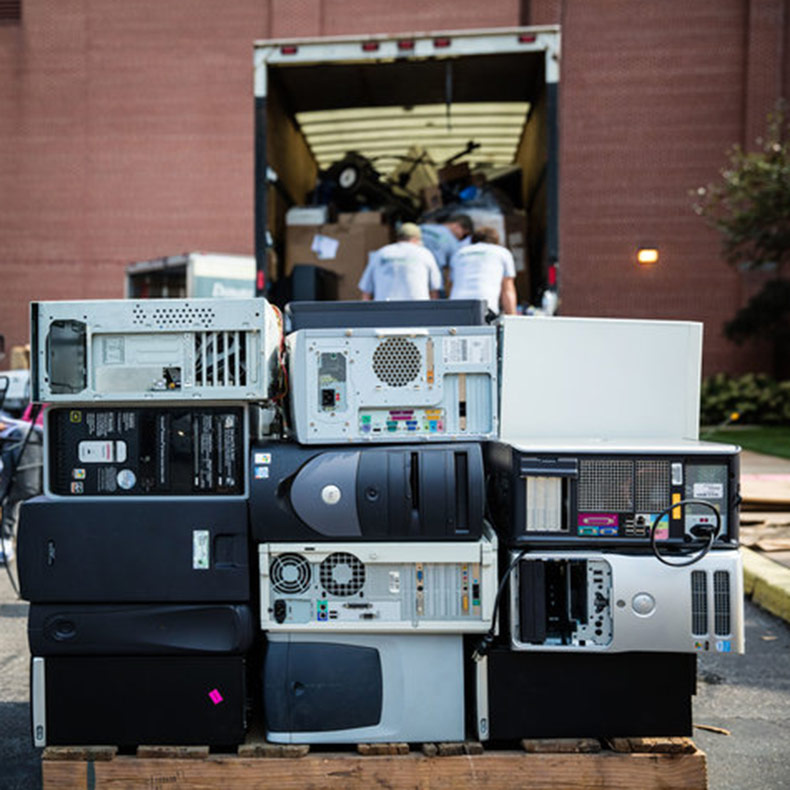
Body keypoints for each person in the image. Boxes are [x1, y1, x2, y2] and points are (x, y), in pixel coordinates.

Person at [358, 223, 442, 301]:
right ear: (416, 238)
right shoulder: (425, 254)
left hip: (385, 309)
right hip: (416, 308)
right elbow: (435, 289)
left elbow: (366, 291)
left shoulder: (381, 253)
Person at [448, 226, 517, 315]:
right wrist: (512, 316)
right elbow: (507, 290)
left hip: (456, 305)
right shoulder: (502, 252)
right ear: (496, 241)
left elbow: (450, 285)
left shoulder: (459, 253)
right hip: (486, 305)